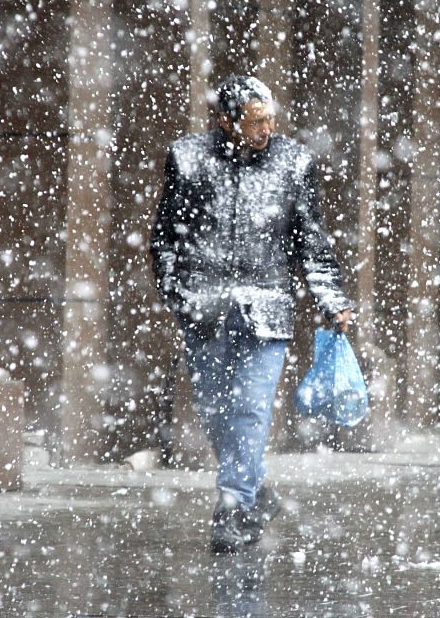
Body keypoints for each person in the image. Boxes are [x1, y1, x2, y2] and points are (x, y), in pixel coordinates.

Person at [150, 74, 353, 553]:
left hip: (268, 309)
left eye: (270, 119)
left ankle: (232, 506)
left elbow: (312, 242)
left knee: (250, 407)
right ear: (225, 120)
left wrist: (332, 299)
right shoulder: (189, 158)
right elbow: (166, 238)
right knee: (216, 413)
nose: (267, 129)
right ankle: (256, 488)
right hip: (204, 308)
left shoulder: (294, 162)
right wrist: (178, 295)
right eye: (256, 120)